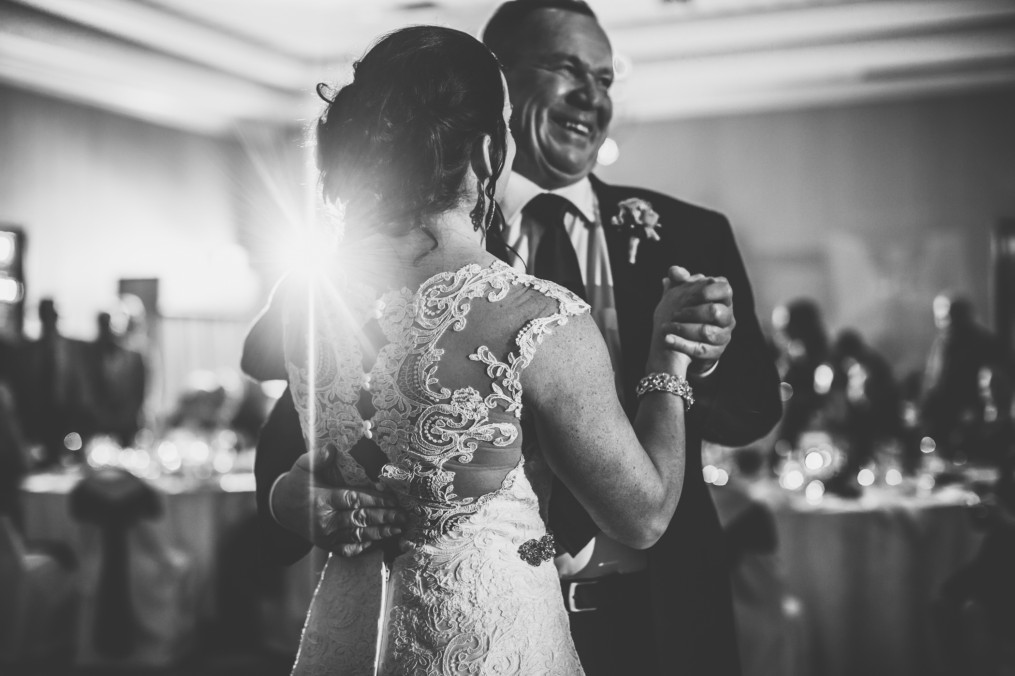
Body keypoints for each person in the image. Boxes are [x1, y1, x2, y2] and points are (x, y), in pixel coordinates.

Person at [248, 3, 782, 674]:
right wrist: (288, 499)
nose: (591, 95)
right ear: (493, 121)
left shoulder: (689, 234)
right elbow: (314, 422)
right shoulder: (497, 302)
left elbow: (755, 405)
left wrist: (699, 355)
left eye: (604, 79)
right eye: (565, 68)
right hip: (473, 629)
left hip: (654, 619)